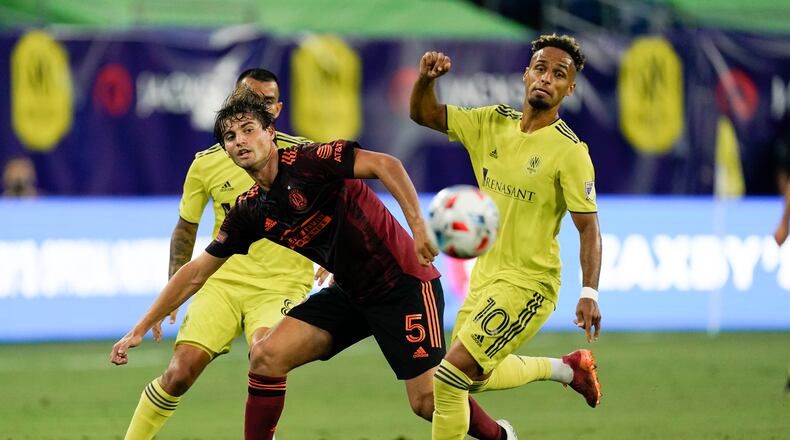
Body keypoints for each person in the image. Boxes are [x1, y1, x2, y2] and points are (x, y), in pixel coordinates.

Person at [112, 88, 514, 440]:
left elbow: (386, 164)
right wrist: (141, 326)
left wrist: (419, 227)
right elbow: (198, 270)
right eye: (230, 137)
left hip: (403, 285)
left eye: (248, 129)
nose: (238, 141)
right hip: (350, 294)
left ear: (271, 132)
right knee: (267, 356)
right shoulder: (251, 210)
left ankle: (498, 436)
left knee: (427, 401)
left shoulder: (311, 161)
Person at [409, 34, 603, 439]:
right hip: (485, 279)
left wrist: (589, 292)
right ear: (525, 74)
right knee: (469, 380)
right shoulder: (490, 122)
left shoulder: (570, 152)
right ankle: (567, 369)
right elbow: (424, 114)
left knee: (447, 379)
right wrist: (426, 81)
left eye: (559, 74)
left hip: (530, 283)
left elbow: (589, 228)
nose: (546, 78)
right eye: (541, 68)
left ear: (570, 88)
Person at [118, 69, 317, 440]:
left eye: (264, 102)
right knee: (180, 372)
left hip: (281, 284)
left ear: (276, 111)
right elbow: (186, 228)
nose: (252, 107)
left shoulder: (304, 153)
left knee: (266, 355)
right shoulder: (208, 162)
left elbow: (340, 203)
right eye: (246, 97)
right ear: (231, 101)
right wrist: (173, 290)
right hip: (221, 283)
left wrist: (335, 260)